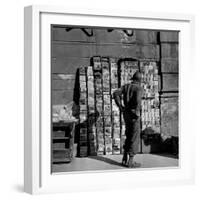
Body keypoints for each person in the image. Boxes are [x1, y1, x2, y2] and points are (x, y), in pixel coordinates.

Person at [113, 71, 143, 168]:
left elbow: (115, 93)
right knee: (134, 136)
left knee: (128, 134)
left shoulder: (126, 86)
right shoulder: (139, 88)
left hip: (126, 114)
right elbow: (138, 100)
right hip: (134, 115)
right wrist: (137, 112)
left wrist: (120, 106)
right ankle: (130, 161)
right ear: (139, 80)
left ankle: (124, 157)